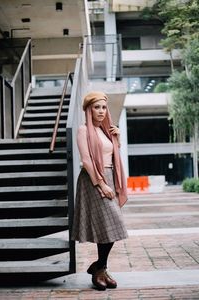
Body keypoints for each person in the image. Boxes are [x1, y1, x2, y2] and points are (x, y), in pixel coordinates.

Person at [71, 91, 128, 291]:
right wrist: (101, 184)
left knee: (109, 227)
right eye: (97, 107)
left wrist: (117, 139)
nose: (101, 111)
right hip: (93, 180)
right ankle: (99, 268)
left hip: (110, 177)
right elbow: (86, 161)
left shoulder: (106, 131)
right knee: (114, 223)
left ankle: (100, 268)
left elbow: (112, 157)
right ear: (89, 109)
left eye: (104, 107)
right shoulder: (83, 130)